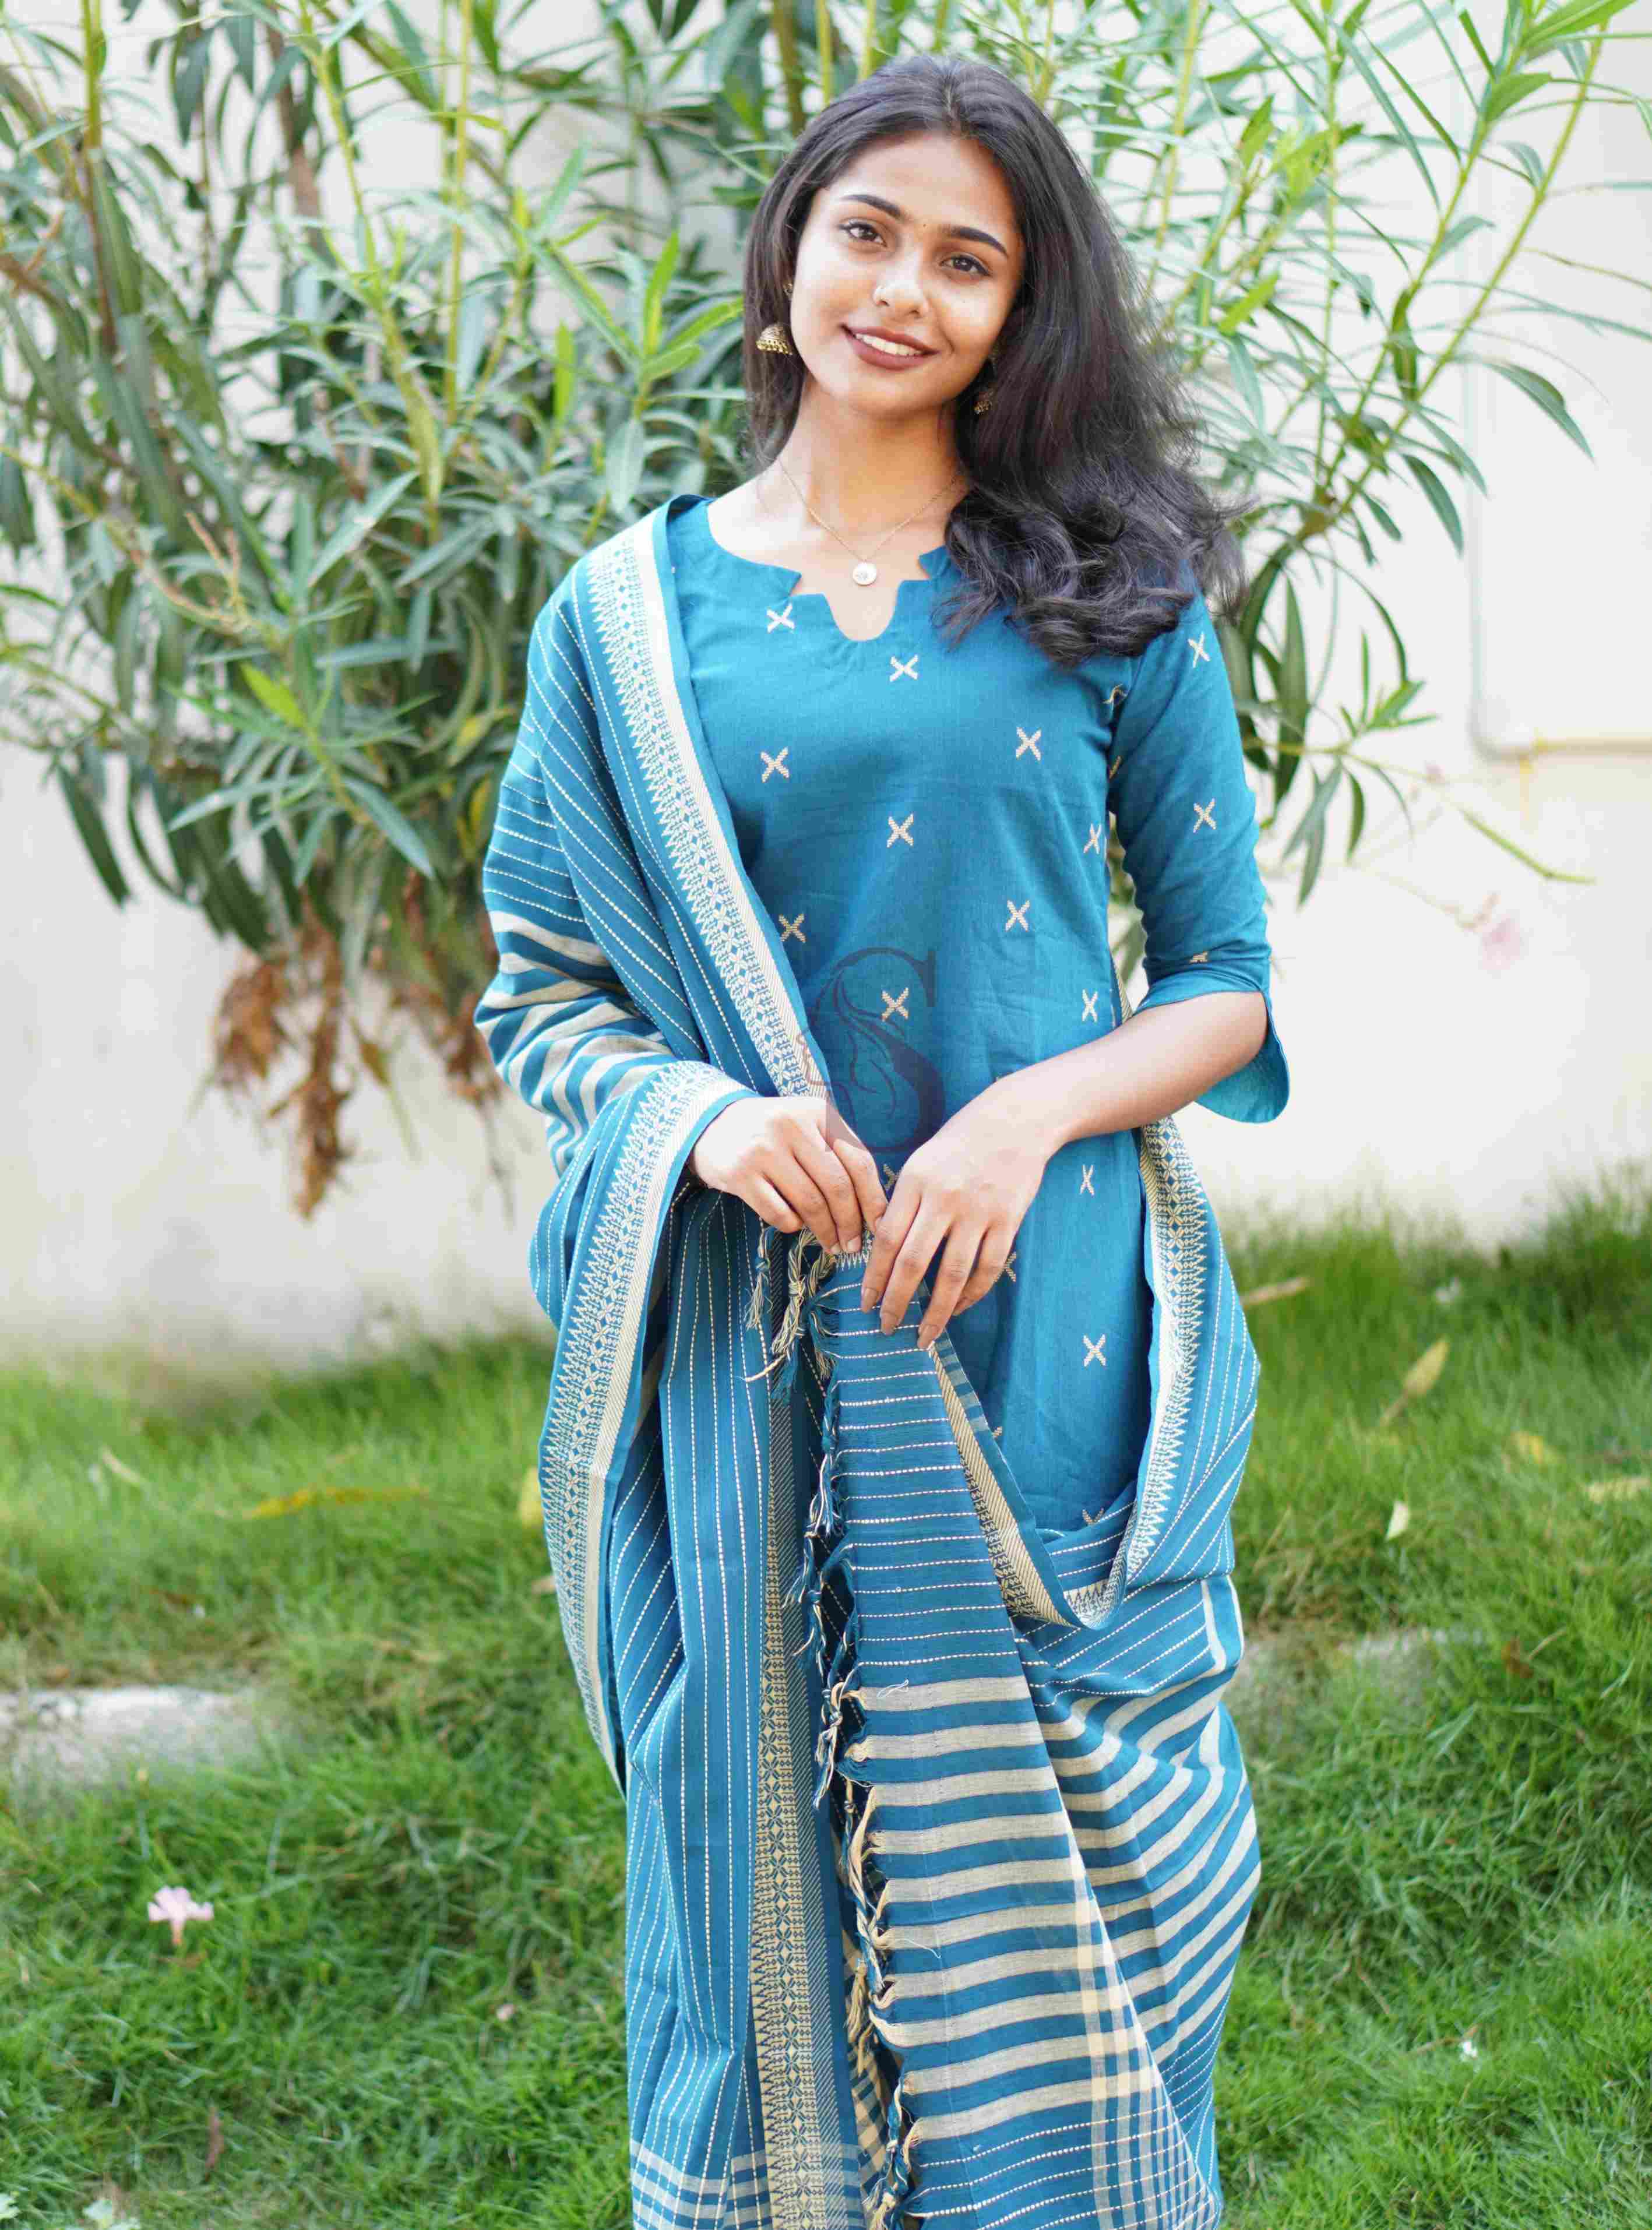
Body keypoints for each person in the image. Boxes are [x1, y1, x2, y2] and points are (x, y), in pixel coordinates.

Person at [474, 50, 1289, 2230]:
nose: (903, 289)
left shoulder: (1109, 587)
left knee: (1102, 1879)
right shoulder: (624, 621)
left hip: (1043, 1341)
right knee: (770, 1900)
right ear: (785, 258)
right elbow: (539, 992)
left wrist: (1026, 1116)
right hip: (745, 1355)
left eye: (968, 258)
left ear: (1024, 317)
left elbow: (1223, 974)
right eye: (868, 230)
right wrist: (710, 1118)